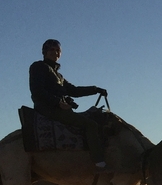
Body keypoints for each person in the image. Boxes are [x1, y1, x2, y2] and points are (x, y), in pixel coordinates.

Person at [29, 39, 109, 169]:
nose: (55, 52)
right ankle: (99, 162)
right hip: (48, 109)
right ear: (44, 52)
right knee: (90, 125)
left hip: (59, 108)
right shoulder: (39, 67)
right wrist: (58, 103)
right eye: (52, 50)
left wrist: (95, 90)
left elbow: (73, 90)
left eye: (58, 50)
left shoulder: (58, 75)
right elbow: (37, 91)